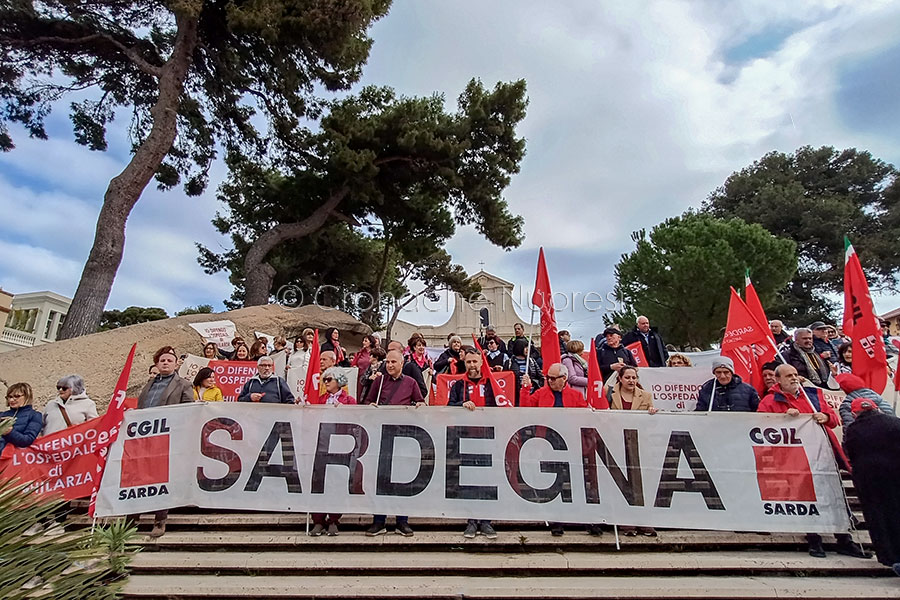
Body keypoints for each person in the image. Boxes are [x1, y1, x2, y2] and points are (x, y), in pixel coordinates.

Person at [758, 364, 869, 559]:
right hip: (795, 457)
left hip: (823, 452)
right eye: (788, 376)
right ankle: (814, 539)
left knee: (834, 495)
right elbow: (761, 424)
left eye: (795, 374)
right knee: (806, 497)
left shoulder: (813, 395)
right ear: (778, 380)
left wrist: (825, 416)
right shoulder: (769, 401)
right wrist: (782, 419)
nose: (793, 378)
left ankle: (844, 539)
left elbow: (834, 419)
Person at [520, 363, 587, 536]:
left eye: (552, 378)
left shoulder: (576, 396)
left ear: (564, 379)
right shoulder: (541, 394)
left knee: (574, 480)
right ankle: (557, 519)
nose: (549, 381)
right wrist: (525, 389)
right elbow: (525, 408)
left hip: (569, 441)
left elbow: (584, 416)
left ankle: (584, 517)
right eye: (547, 377)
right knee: (555, 481)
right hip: (548, 442)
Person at [364, 349, 425, 537]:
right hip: (381, 436)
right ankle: (379, 520)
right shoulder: (379, 382)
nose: (389, 365)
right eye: (387, 362)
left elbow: (420, 402)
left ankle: (402, 521)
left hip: (403, 437)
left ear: (401, 363)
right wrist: (370, 407)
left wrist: (420, 406)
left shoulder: (411, 383)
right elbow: (367, 402)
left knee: (402, 480)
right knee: (380, 479)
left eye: (393, 362)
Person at [135, 346, 194, 536]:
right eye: (162, 360)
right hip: (145, 438)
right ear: (156, 364)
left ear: (176, 364)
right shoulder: (149, 385)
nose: (165, 363)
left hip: (168, 438)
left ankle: (160, 519)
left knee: (162, 477)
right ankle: (132, 516)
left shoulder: (183, 385)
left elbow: (188, 410)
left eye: (169, 360)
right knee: (139, 476)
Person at [843, 398, 900, 575]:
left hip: (867, 480)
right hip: (895, 475)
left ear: (854, 413)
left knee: (877, 516)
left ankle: (886, 555)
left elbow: (849, 452)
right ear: (877, 408)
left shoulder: (853, 430)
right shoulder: (895, 422)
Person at [448, 349, 500, 539]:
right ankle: (471, 520)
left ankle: (486, 521)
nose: (471, 365)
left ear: (481, 362)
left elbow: (502, 405)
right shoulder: (459, 385)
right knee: (468, 481)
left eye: (475, 362)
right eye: (468, 362)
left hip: (487, 438)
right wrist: (461, 406)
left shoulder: (491, 384)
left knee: (487, 481)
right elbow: (448, 406)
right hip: (465, 438)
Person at [603, 365, 658, 536]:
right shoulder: (609, 394)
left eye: (634, 378)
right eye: (627, 377)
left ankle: (643, 520)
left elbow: (652, 424)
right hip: (616, 442)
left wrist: (652, 414)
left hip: (637, 443)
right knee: (619, 482)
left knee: (639, 482)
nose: (631, 381)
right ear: (619, 378)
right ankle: (625, 522)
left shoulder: (646, 396)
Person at [309, 367, 355, 537]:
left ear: (339, 381)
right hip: (321, 445)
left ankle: (334, 519)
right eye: (324, 380)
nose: (326, 383)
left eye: (329, 379)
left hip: (340, 447)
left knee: (337, 483)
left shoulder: (349, 400)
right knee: (318, 482)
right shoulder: (320, 400)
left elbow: (357, 421)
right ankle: (318, 520)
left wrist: (345, 411)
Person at [695, 357, 759, 412]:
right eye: (718, 372)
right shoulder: (707, 389)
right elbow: (700, 413)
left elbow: (757, 413)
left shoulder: (748, 390)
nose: (722, 376)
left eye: (726, 372)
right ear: (714, 373)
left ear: (731, 372)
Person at [1, 383, 43, 454]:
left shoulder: (34, 415)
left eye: (16, 396)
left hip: (19, 459)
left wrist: (10, 432)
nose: (11, 400)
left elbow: (28, 440)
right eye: (9, 397)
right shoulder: (2, 415)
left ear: (27, 396)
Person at [507, 339, 543, 406]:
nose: (527, 349)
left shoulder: (532, 361)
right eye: (525, 347)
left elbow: (540, 376)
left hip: (531, 393)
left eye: (528, 347)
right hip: (515, 394)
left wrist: (533, 383)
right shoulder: (509, 362)